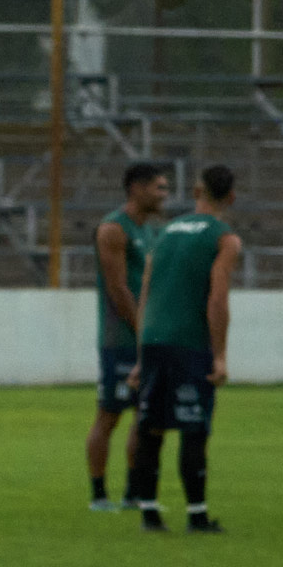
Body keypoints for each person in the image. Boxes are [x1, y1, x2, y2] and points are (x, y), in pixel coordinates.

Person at [125, 165, 241, 534]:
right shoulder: (225, 238)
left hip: (155, 340)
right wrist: (220, 355)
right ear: (231, 198)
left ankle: (150, 514)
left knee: (151, 428)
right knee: (193, 428)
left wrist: (142, 355)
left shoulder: (164, 233)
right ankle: (197, 515)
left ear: (196, 192)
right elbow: (217, 298)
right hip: (190, 342)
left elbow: (147, 293)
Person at [86, 163, 169, 510]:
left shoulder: (150, 230)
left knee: (144, 414)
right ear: (136, 188)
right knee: (110, 413)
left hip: (145, 336)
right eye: (159, 188)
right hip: (120, 338)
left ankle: (134, 493)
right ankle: (99, 495)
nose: (164, 195)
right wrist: (141, 332)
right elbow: (118, 289)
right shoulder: (113, 229)